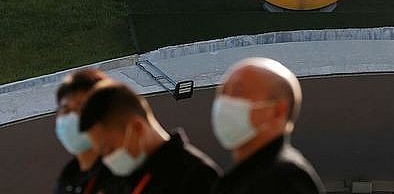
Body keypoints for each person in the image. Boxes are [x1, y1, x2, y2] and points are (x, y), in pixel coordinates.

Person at [79, 82, 221, 193]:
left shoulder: (195, 177)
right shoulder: (127, 178)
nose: (107, 160)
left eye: (108, 149)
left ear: (137, 127)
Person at [211, 57, 325, 194]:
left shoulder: (283, 180)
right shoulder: (249, 176)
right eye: (222, 92)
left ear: (278, 111)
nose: (225, 102)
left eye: (238, 91)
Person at [54, 68, 122, 194]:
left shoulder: (122, 174)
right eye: (66, 110)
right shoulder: (66, 182)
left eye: (81, 108)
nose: (72, 117)